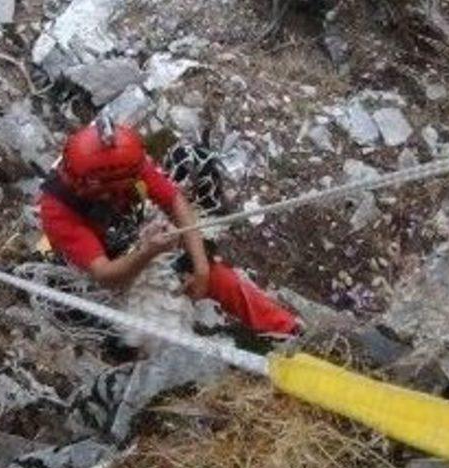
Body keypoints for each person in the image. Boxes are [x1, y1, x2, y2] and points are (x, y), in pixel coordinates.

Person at [38, 117, 299, 336]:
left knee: (219, 277)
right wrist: (147, 252)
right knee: (148, 331)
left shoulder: (127, 167)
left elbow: (175, 201)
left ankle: (287, 331)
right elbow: (104, 274)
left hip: (132, 240)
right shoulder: (58, 209)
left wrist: (201, 268)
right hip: (103, 273)